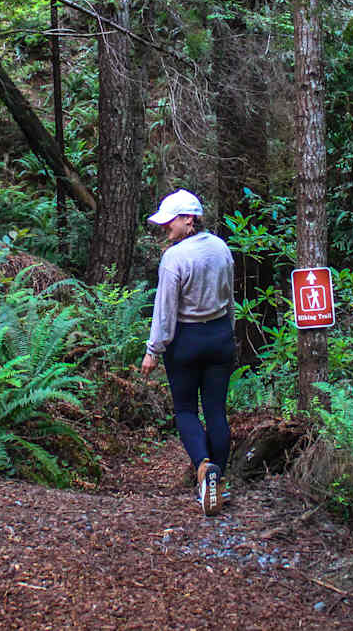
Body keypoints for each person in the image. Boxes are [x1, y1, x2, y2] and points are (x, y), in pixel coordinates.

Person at [139, 189, 235, 516]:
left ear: (189, 220)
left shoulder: (175, 258)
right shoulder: (222, 249)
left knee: (185, 411)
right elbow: (229, 298)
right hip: (221, 336)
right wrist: (227, 334)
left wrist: (153, 351)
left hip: (186, 341)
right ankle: (218, 480)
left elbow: (165, 310)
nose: (166, 228)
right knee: (216, 411)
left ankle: (203, 467)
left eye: (170, 222)